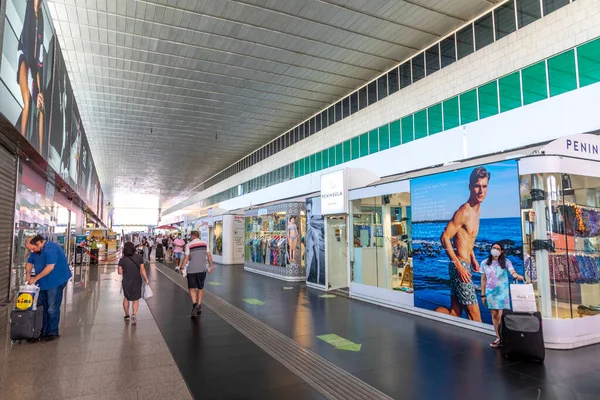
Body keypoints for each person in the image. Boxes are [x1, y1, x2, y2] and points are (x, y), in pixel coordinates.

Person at [438, 167, 491, 322]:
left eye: (484, 186)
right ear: (470, 187)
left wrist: (473, 257)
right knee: (476, 318)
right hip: (460, 267)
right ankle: (481, 346)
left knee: (455, 313)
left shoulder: (477, 211)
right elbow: (445, 237)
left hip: (463, 265)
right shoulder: (465, 211)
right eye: (477, 186)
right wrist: (459, 266)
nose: (481, 191)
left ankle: (433, 319)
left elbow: (466, 238)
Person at [25, 235, 72, 341]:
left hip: (56, 280)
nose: (32, 251)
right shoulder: (36, 251)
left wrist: (35, 278)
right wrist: (28, 274)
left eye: (32, 248)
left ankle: (53, 332)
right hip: (42, 282)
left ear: (38, 243)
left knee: (52, 307)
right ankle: (42, 331)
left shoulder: (51, 249)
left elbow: (50, 267)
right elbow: (29, 263)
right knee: (42, 307)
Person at [481, 243, 524, 348]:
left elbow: (512, 271)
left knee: (501, 315)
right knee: (494, 315)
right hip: (490, 293)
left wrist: (516, 276)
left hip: (502, 293)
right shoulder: (484, 263)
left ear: (501, 252)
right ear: (490, 249)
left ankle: (505, 337)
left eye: (498, 248)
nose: (495, 250)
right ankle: (498, 338)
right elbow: (483, 279)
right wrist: (483, 295)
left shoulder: (506, 262)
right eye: (494, 248)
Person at [17, 0, 46, 152]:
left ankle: (40, 152)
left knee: (41, 106)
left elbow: (39, 55)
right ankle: (20, 142)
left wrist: (39, 88)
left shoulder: (41, 18)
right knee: (27, 101)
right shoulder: (29, 8)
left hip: (34, 65)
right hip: (24, 56)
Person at [180, 231, 214, 316]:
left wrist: (182, 267)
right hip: (202, 270)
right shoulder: (204, 243)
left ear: (193, 236)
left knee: (192, 288)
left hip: (191, 270)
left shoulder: (189, 245)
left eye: (190, 236)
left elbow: (186, 257)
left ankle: (195, 304)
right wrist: (211, 266)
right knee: (200, 288)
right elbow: (209, 255)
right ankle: (199, 305)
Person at [118, 242, 149, 325]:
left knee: (126, 298)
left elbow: (119, 272)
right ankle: (134, 314)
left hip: (126, 281)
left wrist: (126, 270)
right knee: (136, 299)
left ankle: (127, 315)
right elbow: (142, 269)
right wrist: (146, 279)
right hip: (137, 280)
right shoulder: (139, 258)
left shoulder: (122, 259)